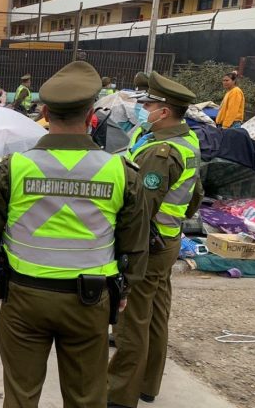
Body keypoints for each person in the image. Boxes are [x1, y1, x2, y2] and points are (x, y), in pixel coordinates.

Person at [0, 61, 149, 408]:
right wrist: (125, 288)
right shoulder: (120, 172)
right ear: (92, 115)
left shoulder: (12, 168)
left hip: (25, 299)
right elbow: (134, 244)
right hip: (90, 301)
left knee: (20, 395)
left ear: (46, 113)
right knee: (85, 397)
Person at [108, 72, 204, 408]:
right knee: (157, 312)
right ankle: (148, 383)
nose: (141, 109)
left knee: (133, 317)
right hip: (168, 239)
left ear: (164, 111)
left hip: (148, 245)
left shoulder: (160, 151)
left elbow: (140, 209)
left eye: (147, 104)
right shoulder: (188, 140)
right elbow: (196, 194)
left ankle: (120, 393)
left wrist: (123, 248)